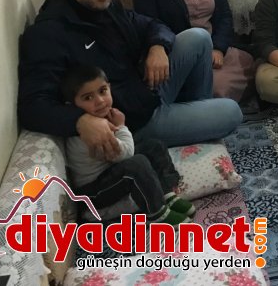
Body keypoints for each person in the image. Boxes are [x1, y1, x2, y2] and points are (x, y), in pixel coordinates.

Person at [18, 0, 243, 157]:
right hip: (132, 122)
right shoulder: (48, 34)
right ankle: (191, 122)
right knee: (232, 112)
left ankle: (193, 115)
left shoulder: (108, 9)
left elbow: (153, 25)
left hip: (145, 91)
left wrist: (157, 47)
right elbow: (32, 106)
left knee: (198, 37)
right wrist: (80, 120)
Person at [61, 65, 195, 224]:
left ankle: (167, 193)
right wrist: (121, 126)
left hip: (108, 171)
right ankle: (157, 212)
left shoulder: (99, 119)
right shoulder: (90, 134)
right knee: (136, 164)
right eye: (88, 98)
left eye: (103, 91)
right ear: (72, 105)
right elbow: (126, 154)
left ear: (109, 88)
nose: (100, 101)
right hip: (92, 194)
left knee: (153, 146)